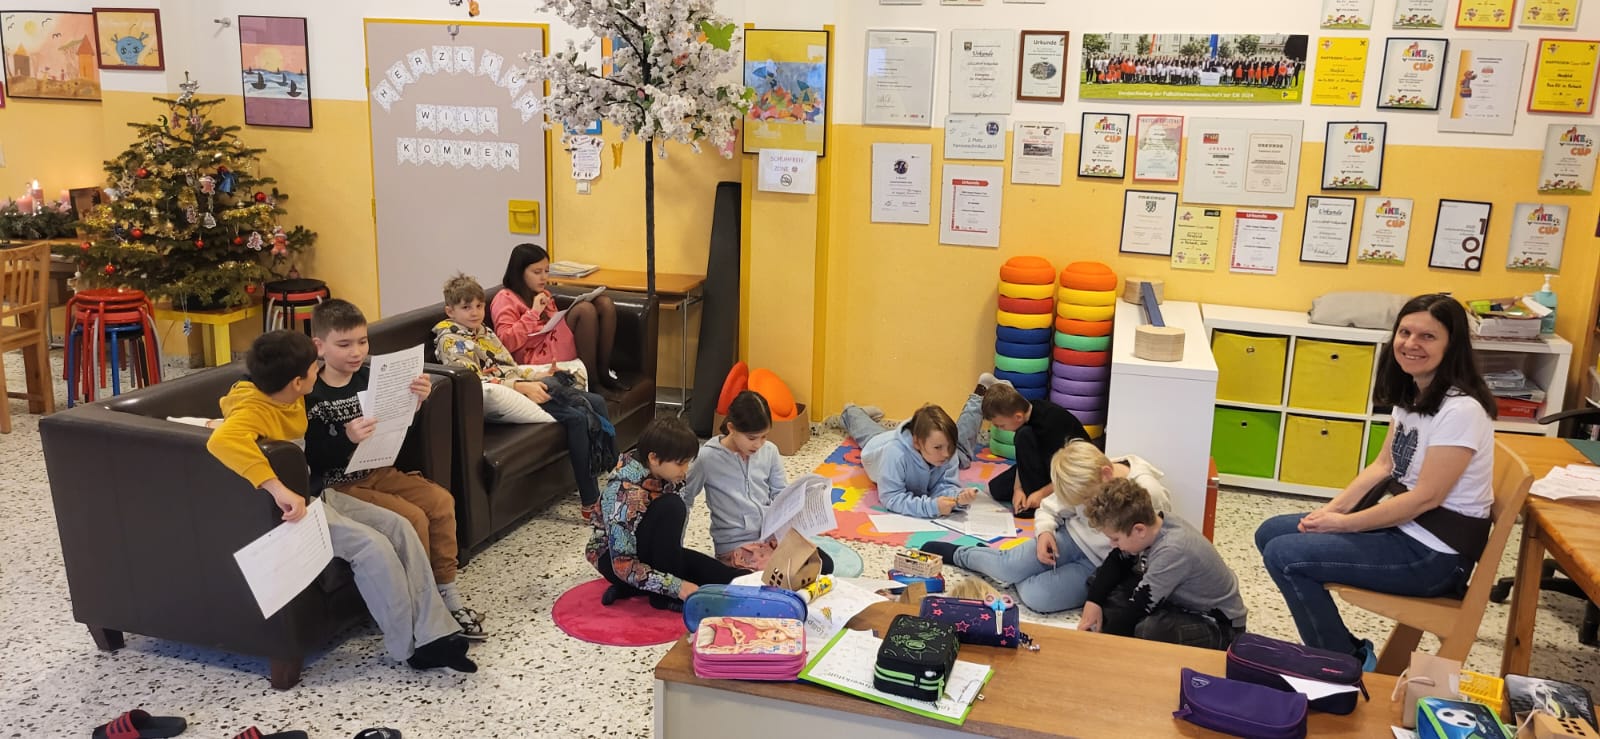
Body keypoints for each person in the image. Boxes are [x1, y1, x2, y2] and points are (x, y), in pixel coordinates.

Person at [205, 330, 475, 672]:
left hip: (320, 492)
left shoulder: (289, 393)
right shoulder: (255, 407)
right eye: (313, 368)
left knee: (401, 527)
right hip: (299, 509)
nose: (318, 371)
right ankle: (408, 649)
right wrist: (278, 489)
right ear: (297, 382)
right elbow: (221, 441)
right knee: (373, 546)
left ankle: (434, 633)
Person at [1255, 293, 1497, 669]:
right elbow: (1383, 466)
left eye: (1428, 336)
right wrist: (1329, 513)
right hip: (1408, 530)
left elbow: (1426, 498)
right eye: (1405, 332)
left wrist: (1344, 524)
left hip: (1436, 556)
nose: (1411, 344)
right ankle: (1344, 651)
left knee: (1285, 555)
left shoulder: (1461, 410)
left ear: (1452, 346)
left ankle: (1341, 662)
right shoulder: (1414, 393)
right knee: (1272, 532)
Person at [306, 299, 486, 639]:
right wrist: (346, 439)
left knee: (441, 502)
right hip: (340, 484)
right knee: (411, 518)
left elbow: (396, 429)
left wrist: (413, 404)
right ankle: (420, 609)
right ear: (320, 346)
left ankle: (447, 594)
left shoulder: (371, 378)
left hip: (381, 471)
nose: (356, 352)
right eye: (344, 344)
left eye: (362, 341)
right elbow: (313, 456)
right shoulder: (311, 392)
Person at [433, 273, 614, 518]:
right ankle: (590, 501)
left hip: (518, 383)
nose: (475, 313)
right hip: (502, 396)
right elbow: (473, 382)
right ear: (450, 311)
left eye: (479, 306)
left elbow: (510, 366)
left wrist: (538, 374)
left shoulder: (483, 331)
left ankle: (613, 481)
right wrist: (521, 386)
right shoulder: (451, 341)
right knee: (577, 417)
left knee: (596, 402)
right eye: (466, 308)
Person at [920, 440, 1173, 614]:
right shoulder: (1081, 479)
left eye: (1087, 500)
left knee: (1037, 597)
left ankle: (1010, 568)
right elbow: (1049, 508)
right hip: (1068, 538)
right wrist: (1044, 533)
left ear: (1106, 475)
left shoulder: (1147, 491)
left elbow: (1155, 538)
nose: (1087, 506)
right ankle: (962, 554)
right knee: (1006, 567)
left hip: (1100, 564)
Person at [588, 417, 745, 611]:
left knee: (726, 577)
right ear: (653, 458)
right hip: (614, 561)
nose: (685, 470)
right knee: (672, 506)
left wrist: (678, 573)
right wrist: (676, 587)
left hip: (651, 552)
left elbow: (670, 540)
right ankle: (659, 597)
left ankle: (639, 589)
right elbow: (623, 565)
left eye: (688, 463)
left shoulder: (669, 474)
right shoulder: (623, 492)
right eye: (681, 464)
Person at [1079, 478, 1247, 650]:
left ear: (1139, 530)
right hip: (1177, 601)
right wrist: (1093, 602)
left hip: (1220, 626)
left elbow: (1140, 605)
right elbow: (1117, 560)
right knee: (1099, 582)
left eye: (1115, 539)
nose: (1112, 544)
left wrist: (1103, 644)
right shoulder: (1151, 521)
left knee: (1149, 629)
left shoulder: (1173, 549)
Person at [681, 390, 836, 573]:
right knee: (754, 579)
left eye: (764, 436)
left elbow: (780, 494)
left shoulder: (769, 451)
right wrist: (676, 547)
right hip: (735, 545)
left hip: (770, 537)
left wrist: (783, 532)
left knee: (824, 564)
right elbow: (685, 500)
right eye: (752, 438)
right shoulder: (707, 458)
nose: (758, 444)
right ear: (731, 428)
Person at [491, 242, 628, 394]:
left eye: (546, 271)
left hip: (551, 342)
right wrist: (533, 313)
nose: (544, 277)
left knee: (604, 303)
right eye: (537, 272)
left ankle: (603, 372)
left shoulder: (543, 293)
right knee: (584, 310)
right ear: (519, 273)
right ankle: (593, 382)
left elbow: (553, 323)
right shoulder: (504, 298)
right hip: (532, 356)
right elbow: (505, 343)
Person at [836, 401, 978, 518]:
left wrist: (958, 499)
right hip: (877, 447)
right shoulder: (894, 453)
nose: (946, 454)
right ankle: (852, 411)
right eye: (937, 447)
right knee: (864, 430)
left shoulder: (946, 451)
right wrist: (931, 507)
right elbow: (891, 497)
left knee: (874, 429)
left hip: (905, 442)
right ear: (917, 443)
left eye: (950, 446)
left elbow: (944, 486)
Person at [979, 382, 1091, 518]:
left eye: (1001, 425)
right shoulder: (1026, 412)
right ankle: (1029, 493)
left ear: (1018, 417)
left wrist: (1041, 494)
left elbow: (1068, 473)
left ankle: (1034, 502)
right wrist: (1018, 489)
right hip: (1046, 462)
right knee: (997, 489)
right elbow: (1023, 458)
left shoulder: (1050, 425)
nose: (1000, 429)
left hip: (1073, 473)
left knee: (1023, 436)